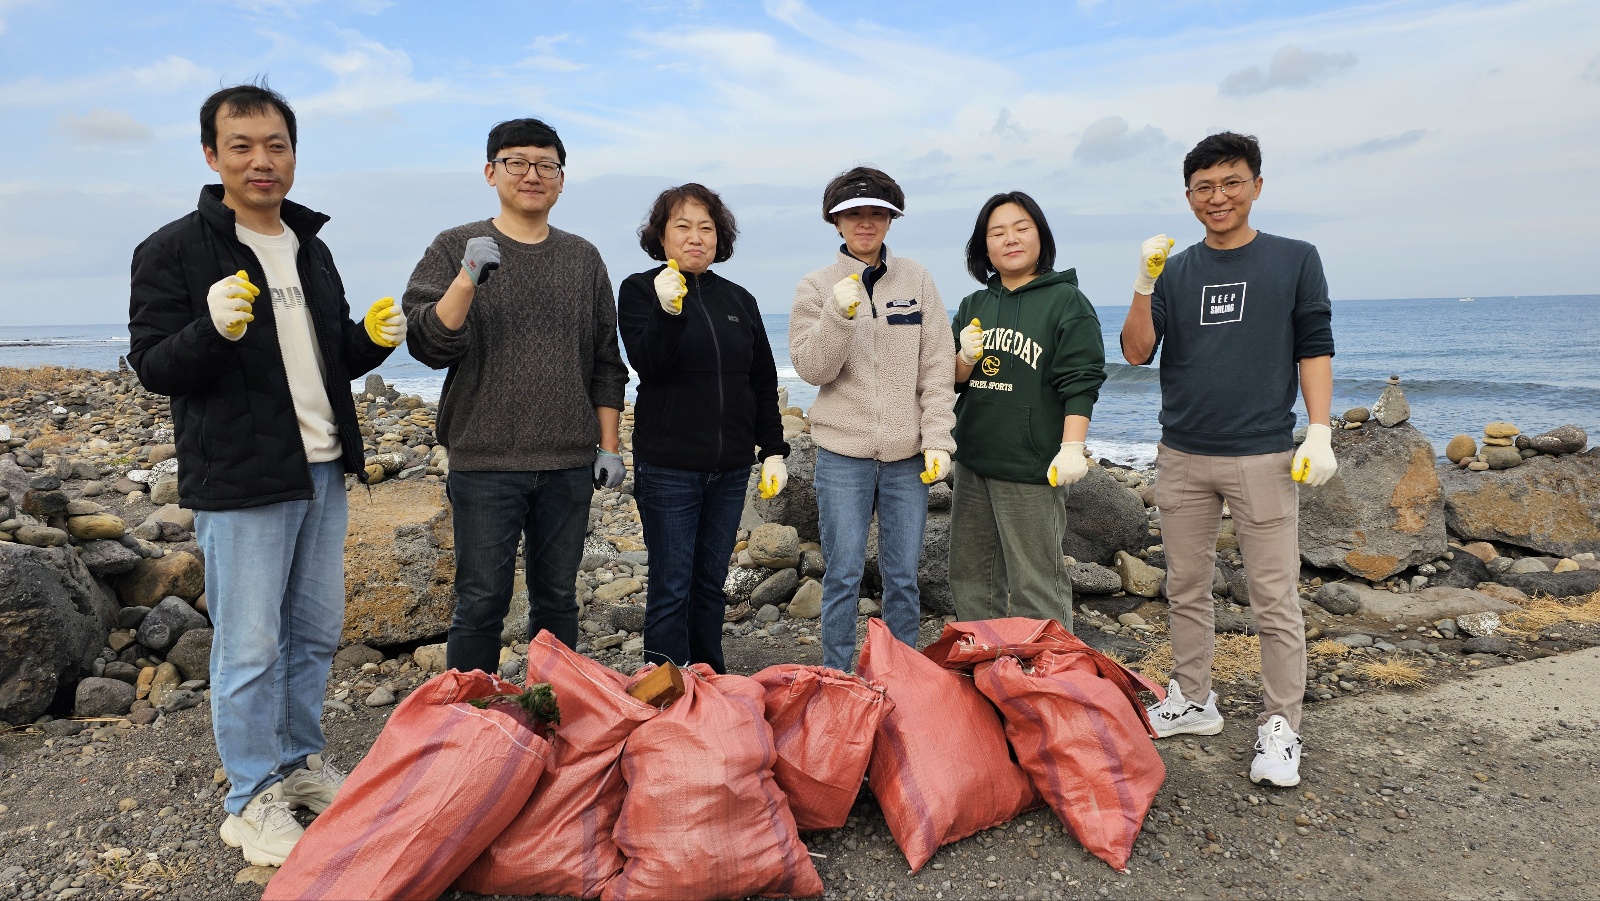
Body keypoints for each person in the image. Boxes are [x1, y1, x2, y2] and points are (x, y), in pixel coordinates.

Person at [128, 83, 405, 866]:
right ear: (211, 155)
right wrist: (209, 328)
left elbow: (330, 358)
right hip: (242, 477)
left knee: (313, 633)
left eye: (276, 144)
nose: (261, 159)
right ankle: (249, 799)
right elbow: (153, 365)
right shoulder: (174, 249)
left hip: (322, 468)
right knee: (249, 645)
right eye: (242, 145)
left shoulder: (310, 247)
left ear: (293, 152)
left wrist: (371, 342)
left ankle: (297, 764)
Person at [1120, 131, 1337, 788]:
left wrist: (1319, 430)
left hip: (1264, 455)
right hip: (1181, 454)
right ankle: (1193, 698)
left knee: (1274, 597)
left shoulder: (1295, 258)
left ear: (1257, 187)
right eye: (1204, 187)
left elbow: (1315, 346)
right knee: (1186, 587)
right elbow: (1134, 351)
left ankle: (1282, 725)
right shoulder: (1176, 270)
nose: (1218, 197)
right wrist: (1142, 280)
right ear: (1189, 198)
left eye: (1231, 182)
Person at [402, 118, 628, 672]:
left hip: (568, 463)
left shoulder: (582, 257)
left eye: (545, 165)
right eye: (517, 162)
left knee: (557, 601)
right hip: (485, 461)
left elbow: (605, 362)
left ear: (560, 179)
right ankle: (470, 724)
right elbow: (427, 342)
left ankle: (559, 715)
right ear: (490, 172)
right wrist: (467, 278)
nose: (532, 174)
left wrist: (609, 446)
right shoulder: (455, 245)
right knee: (480, 602)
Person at [790, 167, 956, 672]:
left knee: (903, 576)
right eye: (854, 213)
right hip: (843, 455)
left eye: (877, 212)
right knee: (841, 573)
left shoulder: (917, 280)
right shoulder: (816, 286)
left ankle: (902, 674)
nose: (866, 222)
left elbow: (937, 363)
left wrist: (938, 439)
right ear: (835, 220)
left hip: (909, 458)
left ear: (891, 219)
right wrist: (838, 317)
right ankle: (837, 675)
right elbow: (812, 367)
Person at [617, 184, 789, 673]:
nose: (696, 238)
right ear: (662, 236)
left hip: (731, 467)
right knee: (672, 585)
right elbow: (649, 362)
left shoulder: (739, 298)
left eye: (706, 227)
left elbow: (761, 378)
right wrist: (668, 312)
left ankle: (710, 680)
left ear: (720, 237)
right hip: (669, 466)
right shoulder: (639, 289)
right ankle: (665, 694)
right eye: (683, 227)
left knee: (710, 582)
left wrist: (772, 448)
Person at [947, 192, 1106, 627]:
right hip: (974, 460)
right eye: (997, 233)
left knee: (1037, 583)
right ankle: (985, 672)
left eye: (1021, 228)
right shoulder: (974, 306)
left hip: (1033, 468)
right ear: (983, 247)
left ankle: (1052, 683)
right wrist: (962, 357)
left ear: (1040, 236)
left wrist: (1072, 447)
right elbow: (955, 382)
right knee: (971, 577)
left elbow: (1082, 380)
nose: (1010, 239)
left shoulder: (1067, 302)